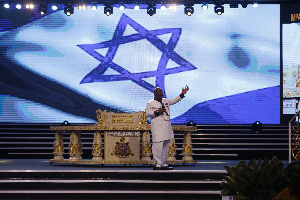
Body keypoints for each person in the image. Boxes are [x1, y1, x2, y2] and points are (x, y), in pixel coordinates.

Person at [146, 86, 189, 170]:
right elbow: (148, 113)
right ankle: (157, 164)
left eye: (161, 92)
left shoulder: (165, 101)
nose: (161, 94)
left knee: (166, 146)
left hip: (166, 127)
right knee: (157, 146)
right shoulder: (150, 103)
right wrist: (157, 111)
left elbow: (174, 101)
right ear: (155, 94)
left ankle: (164, 163)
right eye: (159, 92)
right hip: (158, 128)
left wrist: (182, 94)